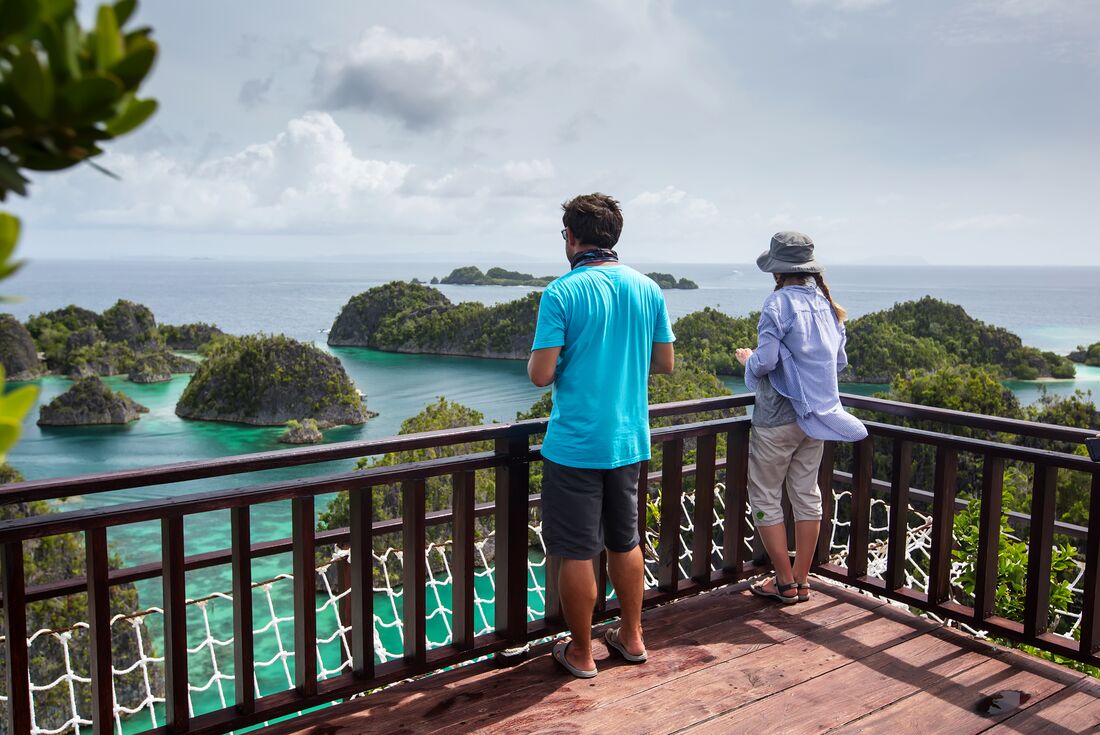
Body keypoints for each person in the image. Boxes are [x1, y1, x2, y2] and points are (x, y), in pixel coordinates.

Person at [528, 193, 675, 678]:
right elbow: (664, 364)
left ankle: (582, 652)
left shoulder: (562, 293)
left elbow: (541, 374)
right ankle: (632, 638)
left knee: (575, 550)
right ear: (614, 237)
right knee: (625, 541)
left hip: (575, 444)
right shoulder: (648, 289)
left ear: (571, 237)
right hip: (629, 440)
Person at [735, 231, 867, 604]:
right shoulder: (827, 305)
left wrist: (748, 362)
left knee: (765, 494)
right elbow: (838, 361)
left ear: (777, 270)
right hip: (818, 416)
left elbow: (768, 361)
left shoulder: (777, 304)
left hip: (777, 416)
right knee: (807, 494)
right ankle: (802, 579)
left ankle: (782, 581)